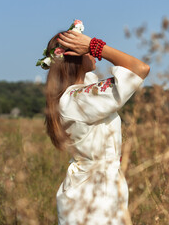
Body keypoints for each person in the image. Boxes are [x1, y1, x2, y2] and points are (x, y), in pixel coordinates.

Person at [39, 20, 150, 225]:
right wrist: (95, 46)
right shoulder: (79, 100)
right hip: (95, 196)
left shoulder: (77, 91)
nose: (92, 54)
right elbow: (139, 69)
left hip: (91, 188)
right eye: (85, 49)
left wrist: (85, 48)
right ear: (74, 57)